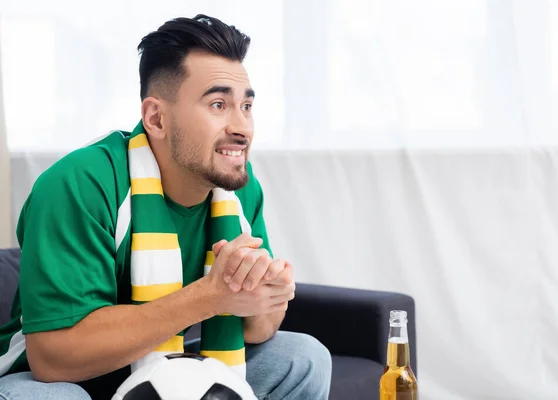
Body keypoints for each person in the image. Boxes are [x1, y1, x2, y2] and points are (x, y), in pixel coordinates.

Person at [0, 14, 332, 400]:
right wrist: (211, 296)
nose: (242, 128)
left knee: (303, 357)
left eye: (246, 106)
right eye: (219, 104)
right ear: (156, 119)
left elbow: (258, 328)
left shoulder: (238, 187)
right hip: (65, 379)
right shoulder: (79, 183)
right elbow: (54, 359)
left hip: (164, 364)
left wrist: (262, 300)